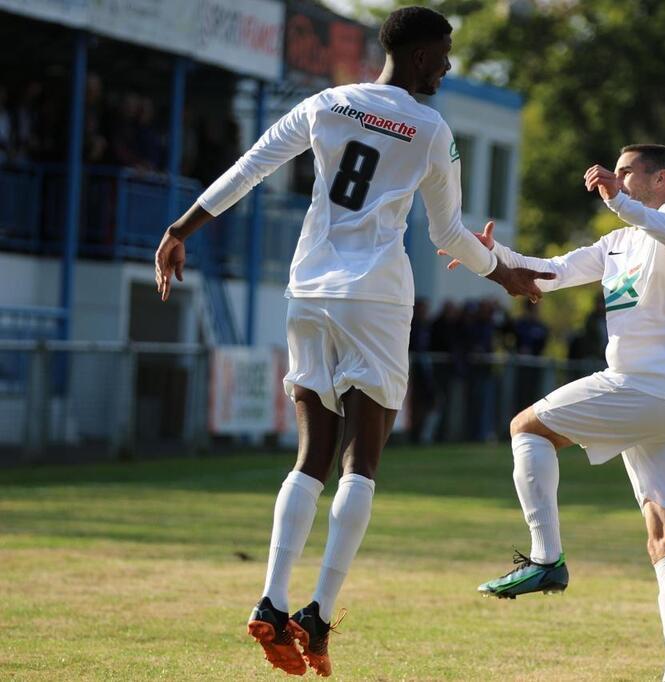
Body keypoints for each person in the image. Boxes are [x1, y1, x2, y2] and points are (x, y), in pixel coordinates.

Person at [153, 6, 551, 676]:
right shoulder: (430, 128)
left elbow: (251, 167)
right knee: (360, 463)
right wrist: (506, 275)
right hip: (377, 298)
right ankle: (318, 613)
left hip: (308, 288)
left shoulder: (328, 103)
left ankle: (271, 601)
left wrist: (179, 230)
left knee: (311, 454)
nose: (449, 67)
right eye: (446, 54)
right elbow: (448, 235)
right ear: (423, 57)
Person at [443, 144, 665, 682]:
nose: (611, 180)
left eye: (624, 172)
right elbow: (552, 271)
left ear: (661, 178)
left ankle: (547, 559)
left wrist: (622, 203)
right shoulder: (618, 242)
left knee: (527, 427)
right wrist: (490, 260)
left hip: (650, 387)